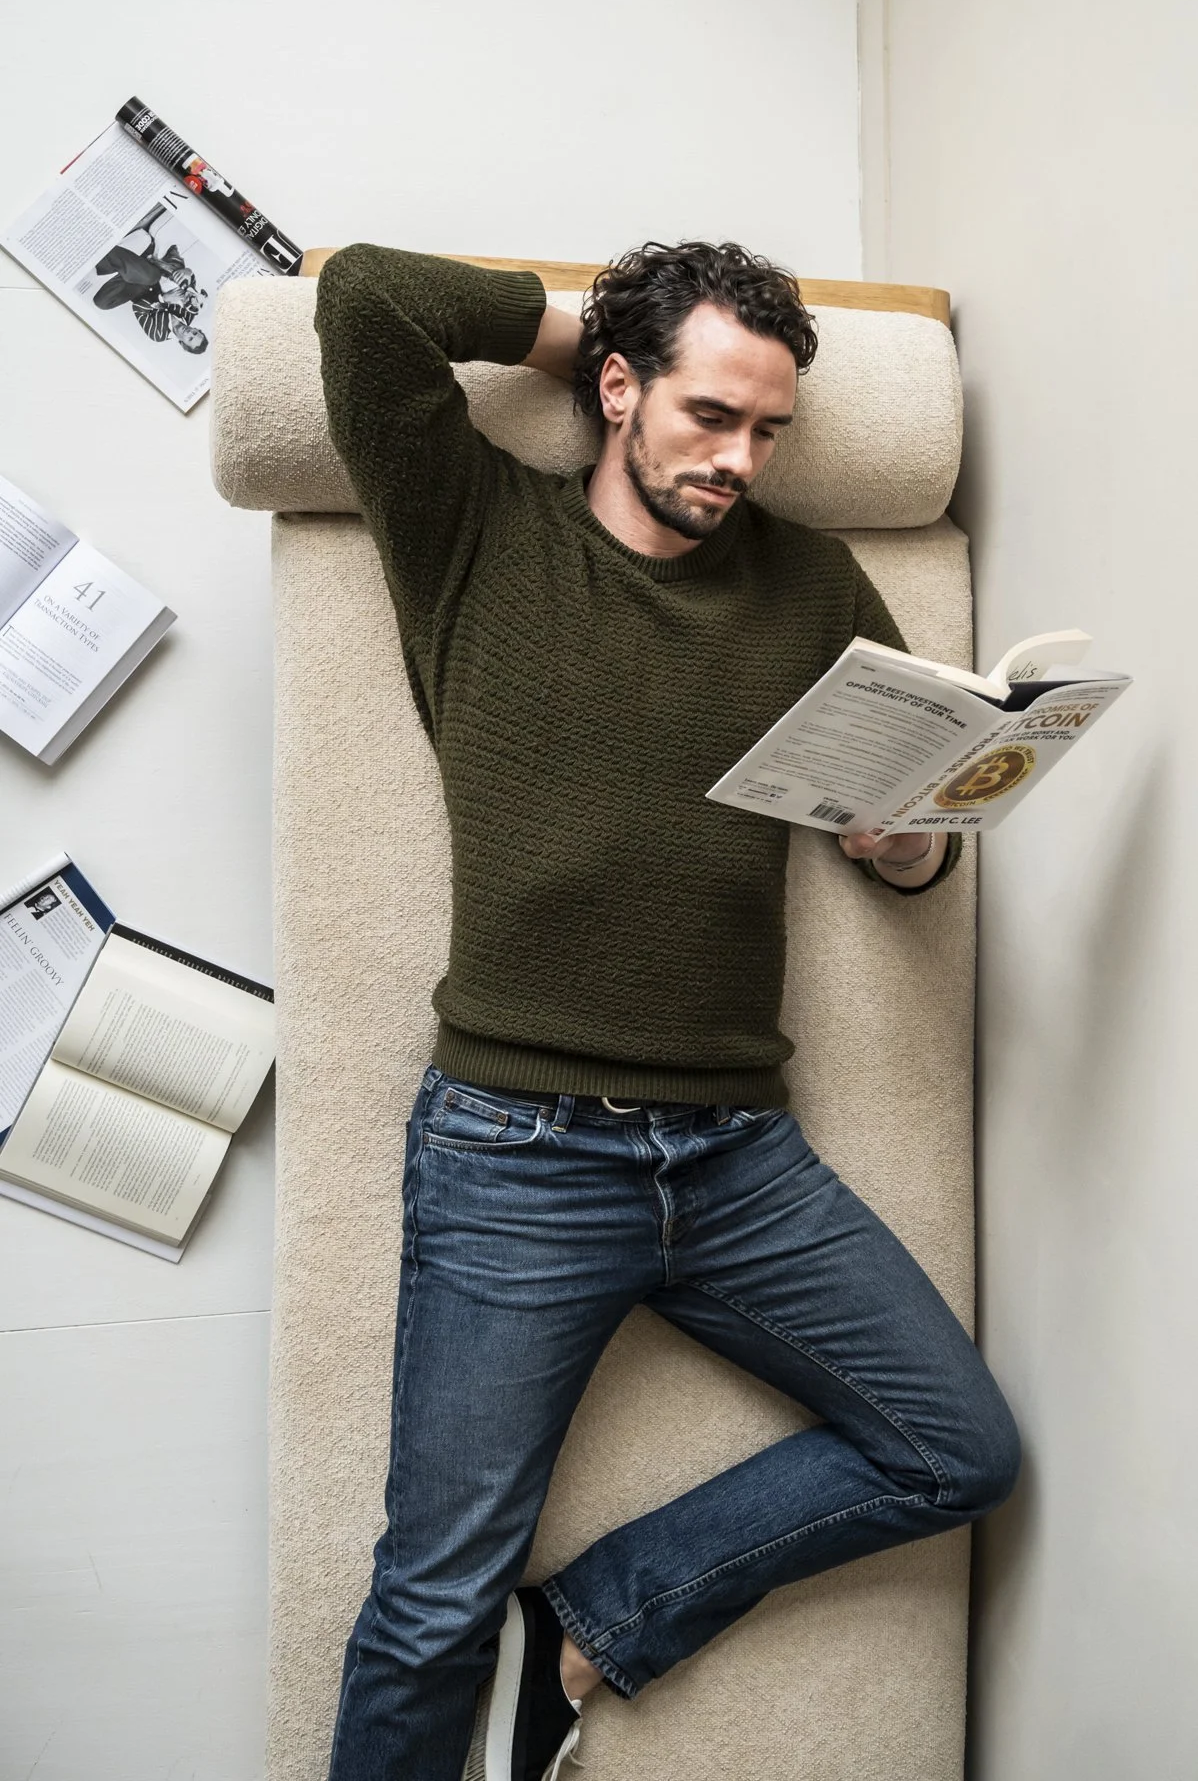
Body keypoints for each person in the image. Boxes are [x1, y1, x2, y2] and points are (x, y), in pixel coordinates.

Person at [306, 239, 1021, 1781]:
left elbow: (904, 829)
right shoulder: (470, 529)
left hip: (739, 1158)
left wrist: (902, 851)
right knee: (430, 1600)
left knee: (963, 1450)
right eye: (706, 413)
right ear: (616, 391)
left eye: (767, 431)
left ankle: (602, 1614)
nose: (737, 459)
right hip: (514, 1154)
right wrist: (592, 329)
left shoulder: (809, 582)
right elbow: (365, 298)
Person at [93, 202, 209, 351]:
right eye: (195, 332)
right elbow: (189, 283)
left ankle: (113, 261)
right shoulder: (189, 312)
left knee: (101, 303)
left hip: (135, 288)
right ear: (197, 329)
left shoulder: (158, 335)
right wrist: (189, 271)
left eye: (190, 338)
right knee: (152, 277)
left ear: (182, 344)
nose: (189, 332)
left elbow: (138, 308)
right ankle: (102, 250)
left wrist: (164, 299)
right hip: (151, 273)